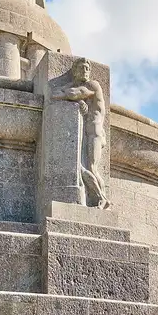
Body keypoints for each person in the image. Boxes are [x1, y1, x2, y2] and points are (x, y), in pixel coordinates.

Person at [52, 60, 110, 209]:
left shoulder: (93, 85)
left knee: (92, 167)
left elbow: (74, 93)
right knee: (83, 168)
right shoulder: (79, 85)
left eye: (87, 68)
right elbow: (55, 93)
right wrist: (78, 102)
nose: (85, 70)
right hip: (87, 131)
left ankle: (103, 199)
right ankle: (100, 197)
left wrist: (73, 97)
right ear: (75, 71)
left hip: (95, 132)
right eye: (81, 68)